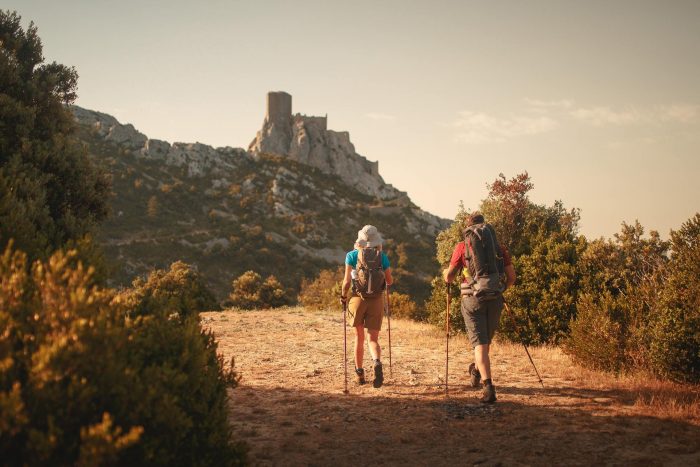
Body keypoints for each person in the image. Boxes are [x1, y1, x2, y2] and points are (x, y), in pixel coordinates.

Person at [443, 213, 516, 403]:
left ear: (468, 228)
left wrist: (446, 273)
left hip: (472, 300)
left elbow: (449, 277)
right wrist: (500, 289)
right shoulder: (499, 248)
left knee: (480, 344)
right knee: (485, 343)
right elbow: (512, 278)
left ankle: (488, 387)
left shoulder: (462, 247)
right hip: (495, 298)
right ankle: (476, 370)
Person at [341, 225, 393, 388]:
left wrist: (343, 296)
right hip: (376, 300)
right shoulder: (382, 256)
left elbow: (347, 282)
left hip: (358, 299)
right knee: (373, 339)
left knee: (359, 337)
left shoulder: (351, 255)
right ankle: (376, 361)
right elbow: (390, 281)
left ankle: (360, 374)